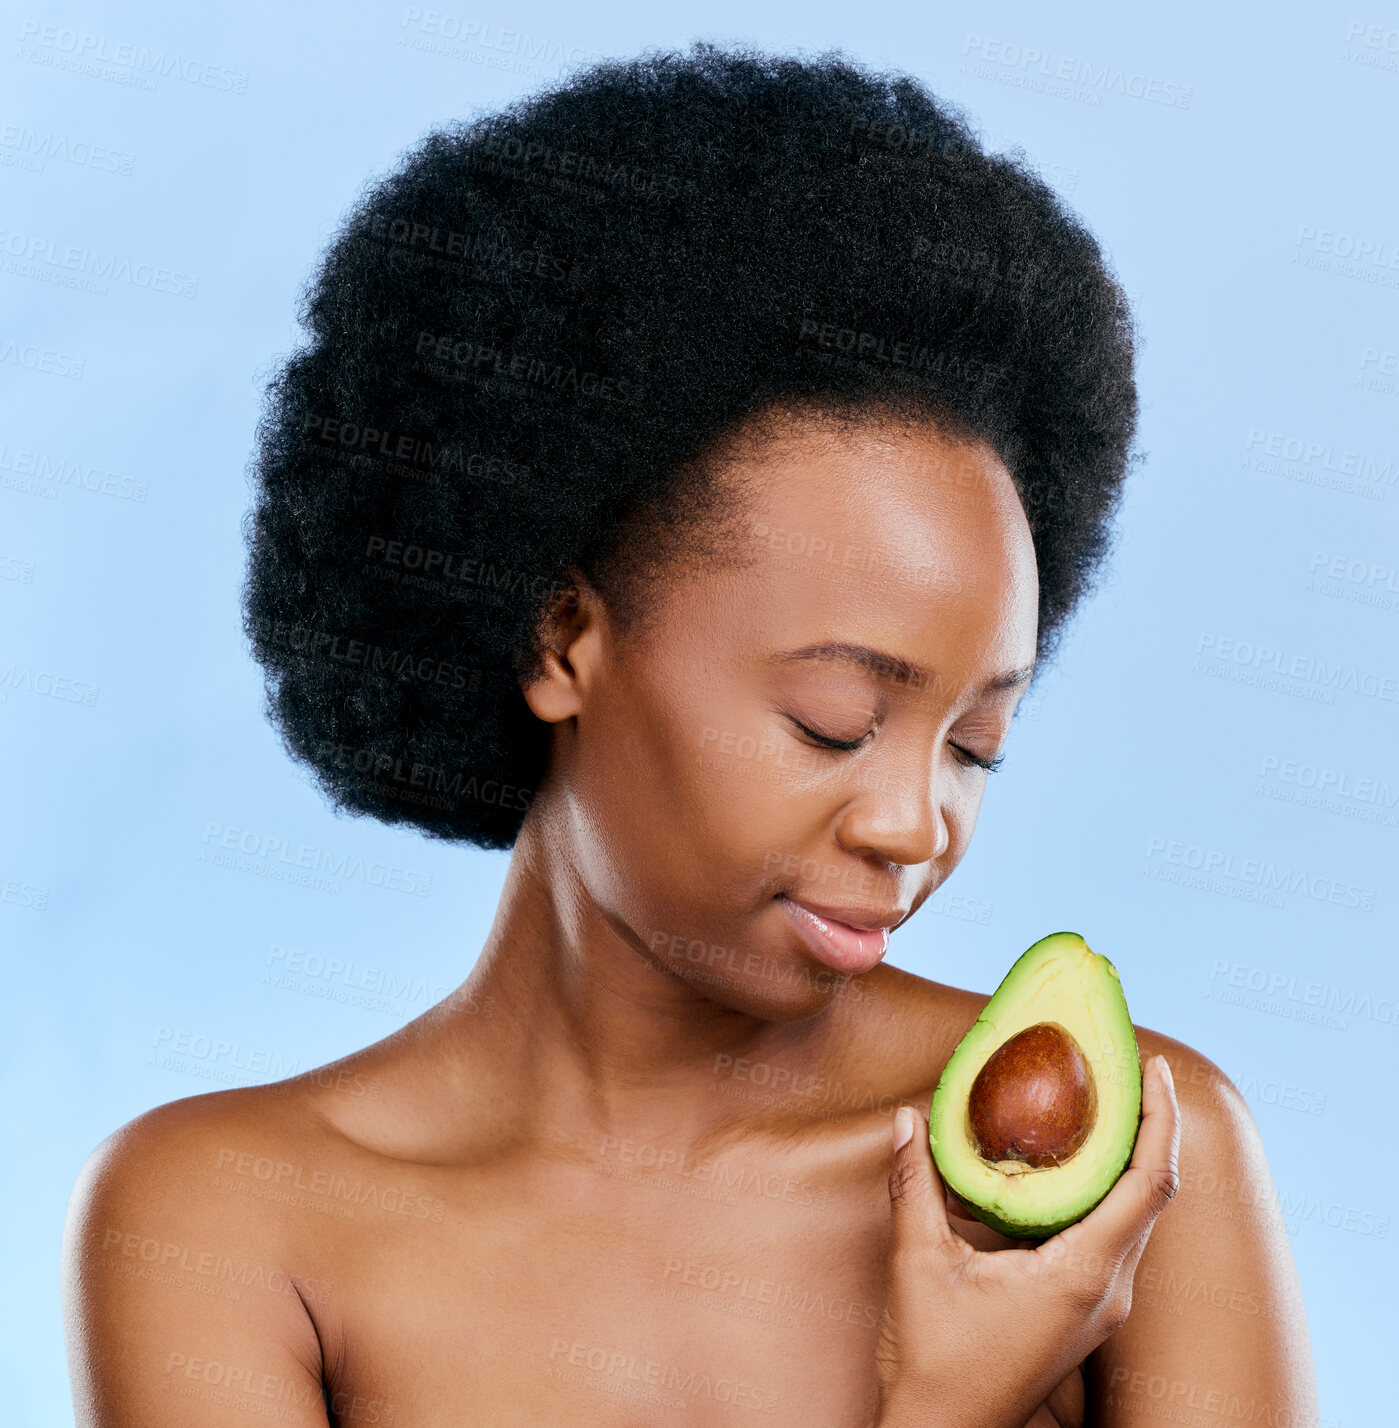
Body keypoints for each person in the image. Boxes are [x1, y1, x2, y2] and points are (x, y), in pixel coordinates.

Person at [62, 42, 1318, 1427]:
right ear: (563, 640)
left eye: (975, 746)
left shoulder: (1135, 1161)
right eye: (833, 721)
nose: (914, 826)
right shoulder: (226, 1224)